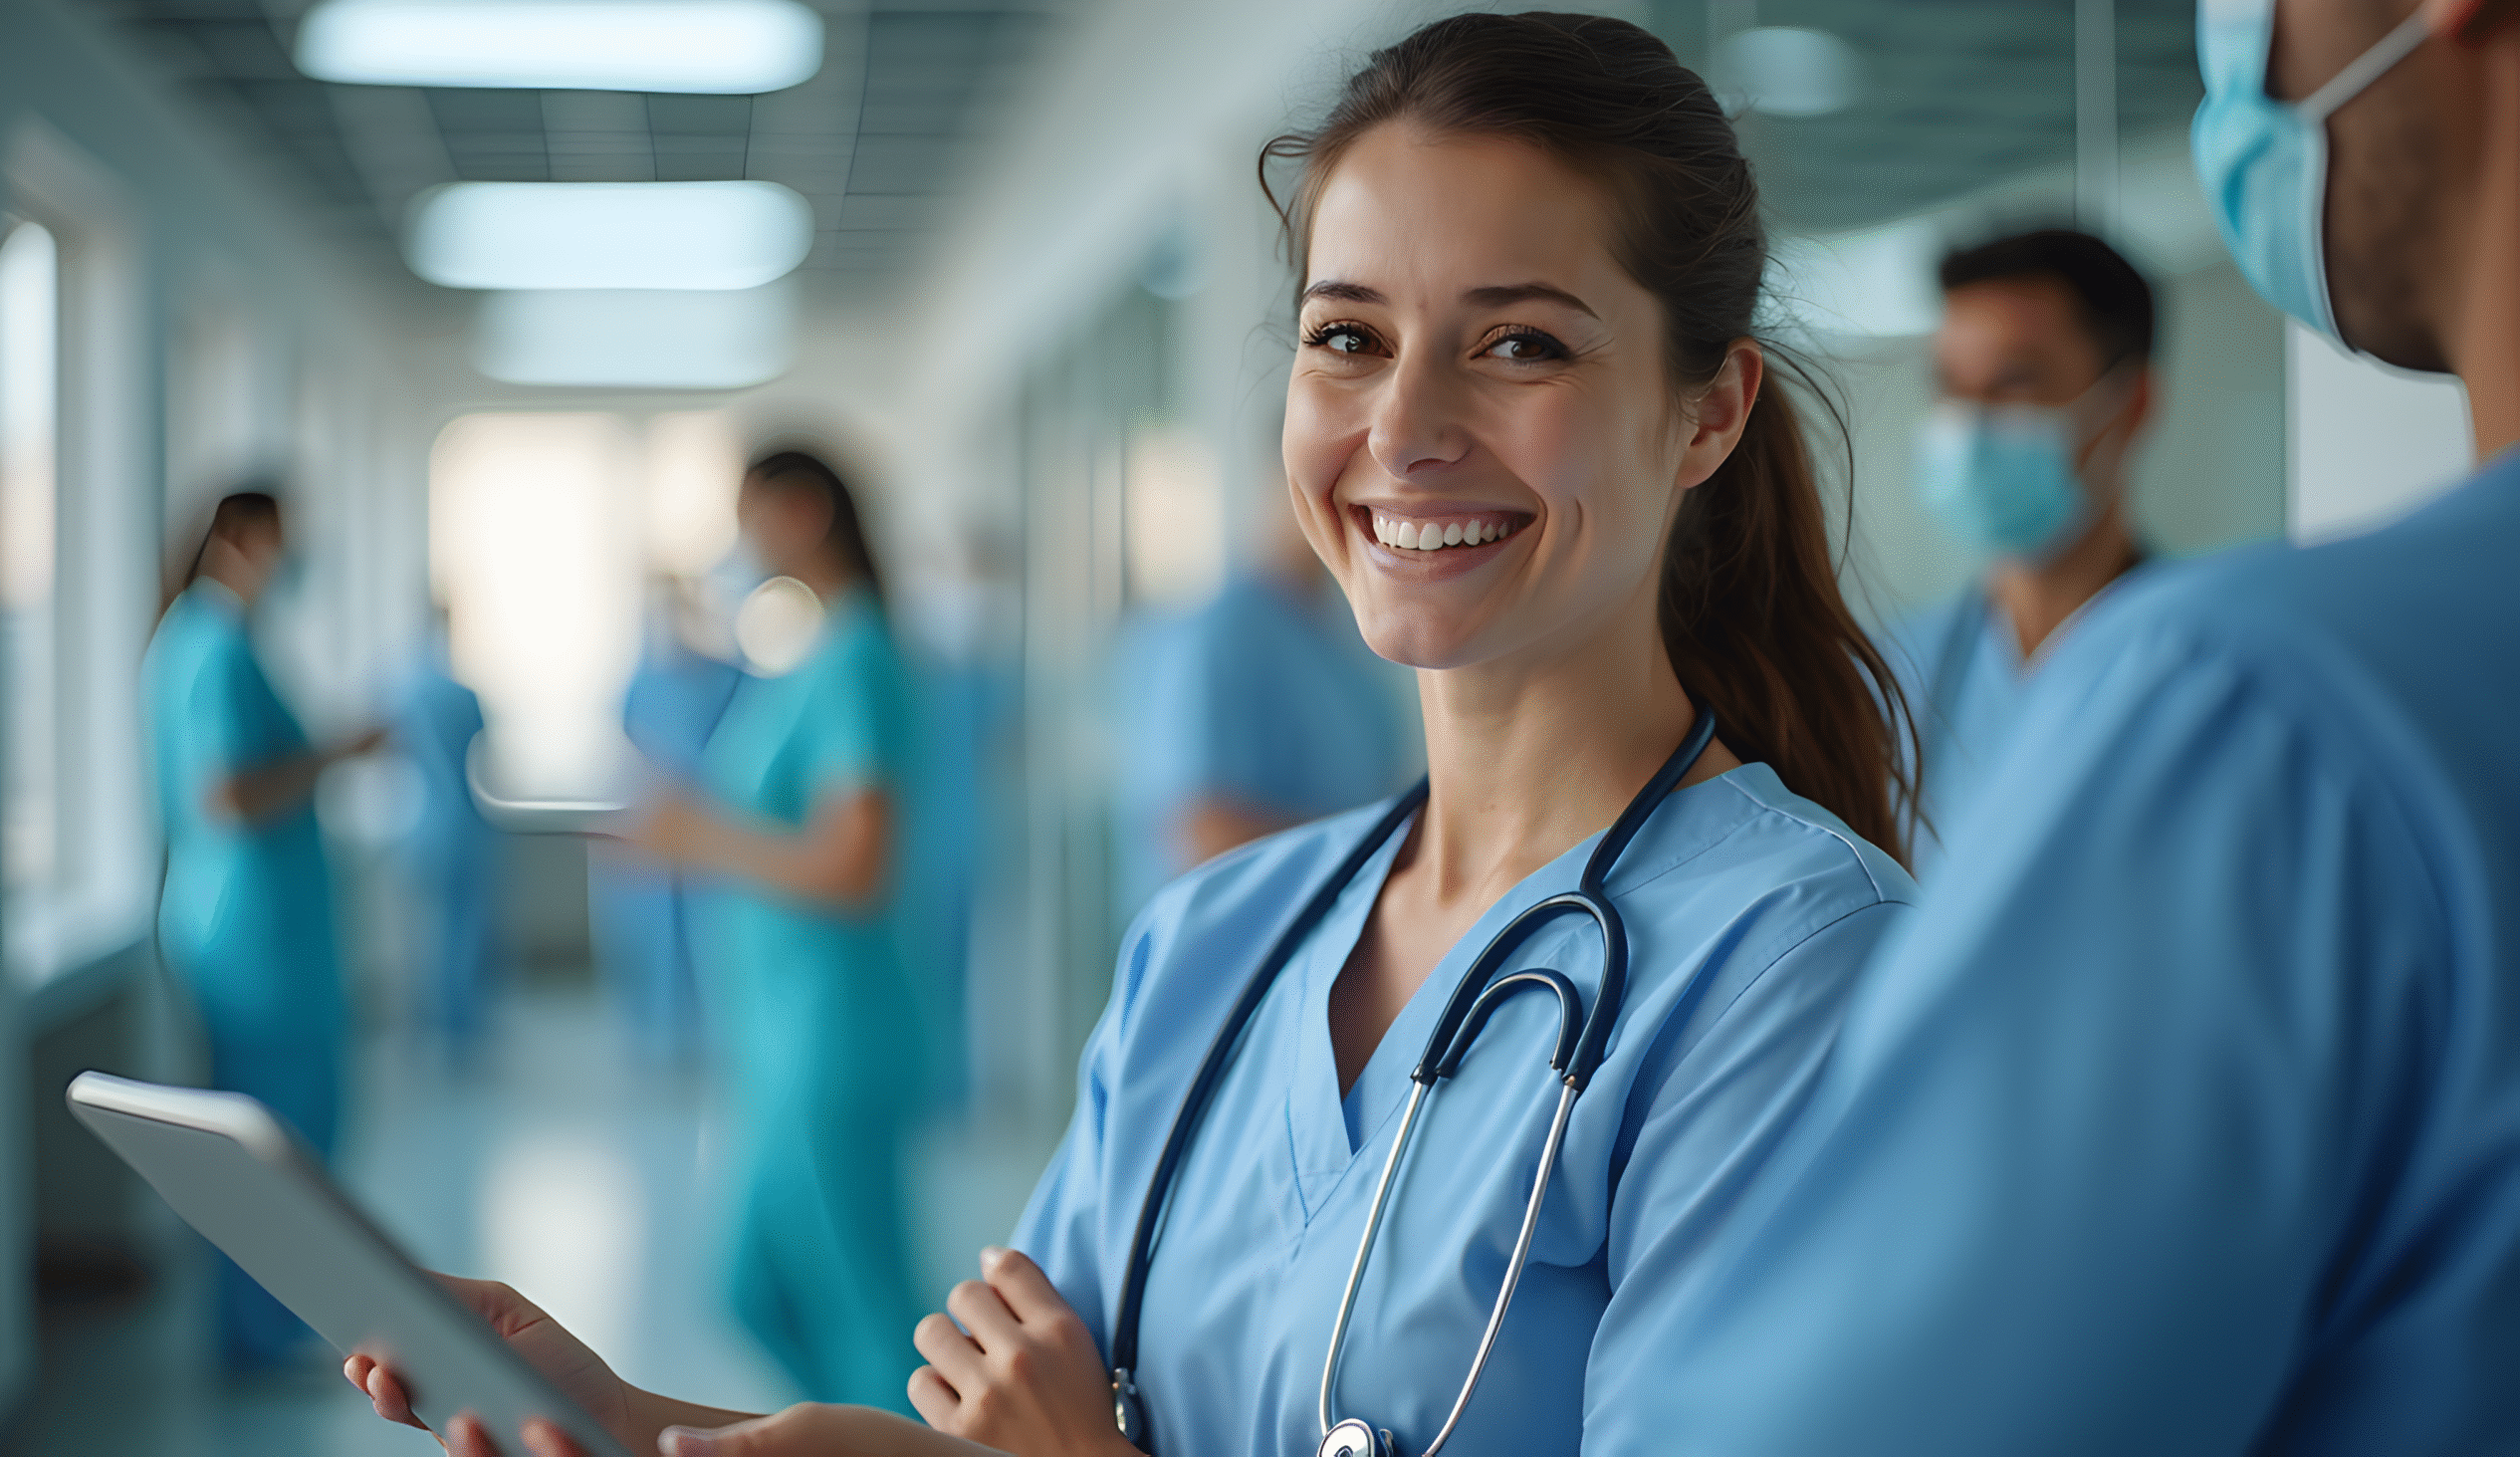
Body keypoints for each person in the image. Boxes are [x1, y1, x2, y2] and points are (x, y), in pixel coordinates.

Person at [347, 15, 1925, 1455]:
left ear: (1708, 410)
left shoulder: (1798, 970)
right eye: (1349, 336)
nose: (1406, 425)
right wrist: (635, 1419)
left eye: (1521, 343)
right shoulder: (1219, 940)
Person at [1618, 0, 2520, 1450]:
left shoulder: (2248, 709)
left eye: (2018, 388)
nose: (2255, 49)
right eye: (1954, 388)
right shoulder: (1904, 686)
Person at [624, 449, 926, 1408]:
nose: (741, 544)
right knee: (752, 1288)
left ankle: (898, 1437)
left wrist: (695, 834)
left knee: (868, 1311)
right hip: (775, 1035)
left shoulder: (856, 658)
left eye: (750, 515)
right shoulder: (813, 657)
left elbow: (855, 864)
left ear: (798, 512)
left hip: (829, 1036)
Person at [143, 488, 380, 1368]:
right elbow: (228, 793)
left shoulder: (207, 642)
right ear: (242, 538)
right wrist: (335, 754)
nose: (296, 555)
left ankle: (266, 1330)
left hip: (254, 928)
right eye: (286, 538)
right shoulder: (213, 648)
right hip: (251, 937)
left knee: (283, 1131)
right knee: (269, 1141)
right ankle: (255, 1338)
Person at [1888, 228, 2158, 871]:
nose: (1971, 425)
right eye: (1951, 386)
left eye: (2014, 383)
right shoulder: (1887, 680)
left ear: (2133, 404)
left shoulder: (2212, 668)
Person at [1112, 504, 1413, 920]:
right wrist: (1369, 856)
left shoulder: (1349, 632)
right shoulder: (1227, 632)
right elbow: (1202, 831)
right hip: (1248, 947)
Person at [590, 575, 743, 1066]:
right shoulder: (638, 683)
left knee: (708, 937)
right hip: (655, 826)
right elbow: (628, 755)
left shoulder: (724, 677)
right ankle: (653, 1035)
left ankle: (701, 1034)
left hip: (708, 826)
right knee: (648, 935)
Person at [384, 606, 500, 1060]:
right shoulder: (464, 696)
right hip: (464, 826)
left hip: (423, 827)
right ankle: (460, 1031)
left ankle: (429, 1027)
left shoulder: (403, 691)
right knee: (465, 932)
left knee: (427, 936)